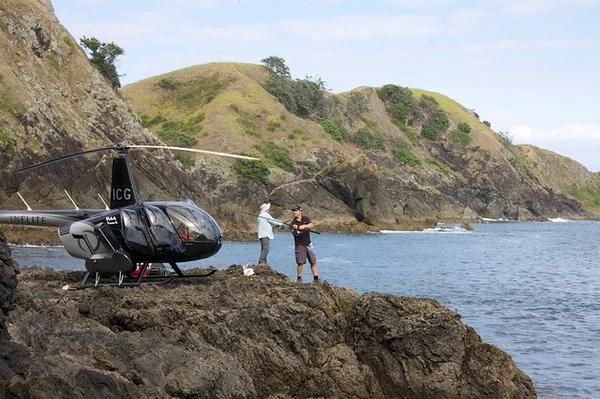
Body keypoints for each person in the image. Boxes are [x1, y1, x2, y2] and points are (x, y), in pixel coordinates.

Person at [290, 206, 318, 282]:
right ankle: (299, 278)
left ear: (300, 211)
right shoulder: (293, 223)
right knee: (300, 262)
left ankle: (316, 278)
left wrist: (304, 226)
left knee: (313, 261)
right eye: (293, 211)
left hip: (308, 243)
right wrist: (296, 229)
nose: (294, 212)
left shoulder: (306, 219)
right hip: (299, 244)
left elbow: (311, 225)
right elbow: (294, 233)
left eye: (295, 211)